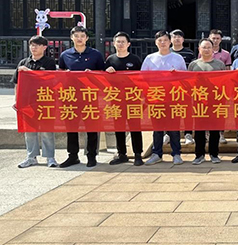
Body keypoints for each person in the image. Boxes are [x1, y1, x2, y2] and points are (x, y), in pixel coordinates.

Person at [58, 26, 105, 168]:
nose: (79, 39)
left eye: (82, 36)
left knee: (91, 127)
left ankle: (91, 155)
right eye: (76, 36)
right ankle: (73, 156)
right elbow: (60, 74)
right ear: (71, 38)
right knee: (71, 127)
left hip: (90, 96)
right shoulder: (65, 55)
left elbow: (103, 74)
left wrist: (93, 74)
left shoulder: (96, 54)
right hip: (71, 96)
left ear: (87, 38)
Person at [12, 35, 58, 169]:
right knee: (29, 130)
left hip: (45, 100)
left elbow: (48, 79)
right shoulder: (23, 62)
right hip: (27, 101)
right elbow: (16, 83)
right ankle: (31, 157)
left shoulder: (49, 63)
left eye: (37, 45)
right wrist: (17, 100)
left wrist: (30, 72)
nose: (34, 47)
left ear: (44, 47)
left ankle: (50, 157)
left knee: (47, 129)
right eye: (32, 45)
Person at [143, 30, 187, 165]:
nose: (163, 43)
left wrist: (176, 74)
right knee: (157, 128)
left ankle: (176, 153)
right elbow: (143, 78)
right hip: (156, 98)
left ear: (170, 42)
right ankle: (157, 154)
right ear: (156, 42)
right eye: (160, 40)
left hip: (173, 98)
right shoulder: (150, 58)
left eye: (165, 40)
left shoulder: (178, 58)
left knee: (174, 128)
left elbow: (185, 78)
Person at [105, 32, 144, 166]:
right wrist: (107, 72)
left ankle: (138, 154)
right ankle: (122, 154)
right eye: (118, 42)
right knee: (118, 127)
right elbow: (103, 79)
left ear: (128, 44)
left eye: (123, 42)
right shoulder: (110, 60)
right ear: (114, 44)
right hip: (116, 99)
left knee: (135, 127)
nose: (120, 44)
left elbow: (142, 78)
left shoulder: (135, 59)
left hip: (133, 98)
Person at [188, 38, 227, 165]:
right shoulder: (193, 65)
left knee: (215, 130)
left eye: (209, 47)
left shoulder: (219, 65)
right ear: (199, 49)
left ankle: (214, 154)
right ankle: (199, 155)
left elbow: (225, 82)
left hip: (215, 102)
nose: (206, 50)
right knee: (199, 130)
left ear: (213, 49)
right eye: (204, 47)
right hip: (199, 102)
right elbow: (189, 83)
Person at [170, 29, 196, 145]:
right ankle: (168, 133)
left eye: (179, 37)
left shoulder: (189, 53)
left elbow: (193, 69)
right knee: (171, 111)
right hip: (170, 88)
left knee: (187, 111)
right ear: (170, 40)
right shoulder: (167, 53)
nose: (177, 39)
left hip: (186, 87)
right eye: (174, 37)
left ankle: (188, 133)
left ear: (183, 39)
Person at [209, 28, 230, 145]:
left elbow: (228, 71)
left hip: (220, 88)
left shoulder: (226, 54)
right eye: (213, 38)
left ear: (221, 39)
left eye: (217, 38)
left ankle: (221, 134)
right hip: (206, 88)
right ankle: (207, 133)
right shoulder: (204, 51)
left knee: (220, 111)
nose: (215, 41)